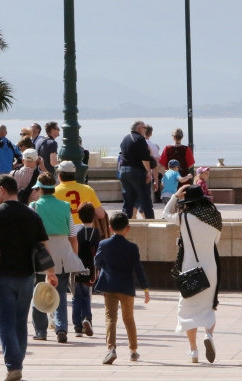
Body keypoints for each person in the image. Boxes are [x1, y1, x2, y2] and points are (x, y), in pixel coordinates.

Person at [0, 174, 56, 381]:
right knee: (20, 322)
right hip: (26, 275)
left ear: (3, 190)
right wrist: (50, 273)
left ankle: (13, 365)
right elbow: (44, 246)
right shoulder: (32, 215)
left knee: (5, 322)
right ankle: (18, 363)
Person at [162, 184, 222, 364]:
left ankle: (193, 350)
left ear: (188, 201)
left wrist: (175, 196)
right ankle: (209, 336)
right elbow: (215, 241)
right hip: (210, 268)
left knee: (188, 310)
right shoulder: (215, 217)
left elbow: (165, 214)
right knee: (208, 307)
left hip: (189, 268)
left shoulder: (184, 217)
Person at [29, 173, 86, 343]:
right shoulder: (64, 206)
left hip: (41, 253)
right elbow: (73, 236)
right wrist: (73, 257)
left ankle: (41, 331)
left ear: (39, 189)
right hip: (63, 253)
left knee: (38, 291)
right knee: (60, 292)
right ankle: (61, 328)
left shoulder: (34, 206)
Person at [95, 211, 150, 364]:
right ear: (128, 228)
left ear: (110, 227)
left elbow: (97, 262)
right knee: (128, 319)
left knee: (110, 317)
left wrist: (103, 267)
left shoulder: (104, 244)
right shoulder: (132, 247)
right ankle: (133, 351)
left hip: (109, 286)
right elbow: (138, 268)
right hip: (126, 287)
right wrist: (145, 289)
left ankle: (111, 348)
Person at [72, 202, 100, 339]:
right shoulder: (95, 233)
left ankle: (77, 326)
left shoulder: (77, 230)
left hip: (77, 268)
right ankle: (87, 318)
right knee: (86, 296)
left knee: (76, 297)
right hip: (90, 268)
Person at [119, 121, 156, 219]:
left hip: (124, 172)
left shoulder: (125, 139)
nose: (145, 130)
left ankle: (124, 225)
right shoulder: (140, 139)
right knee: (146, 201)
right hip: (137, 172)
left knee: (128, 202)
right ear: (139, 128)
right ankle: (151, 225)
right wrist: (148, 171)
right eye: (144, 128)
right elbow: (145, 159)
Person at [53, 160, 108, 225]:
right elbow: (101, 214)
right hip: (84, 231)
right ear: (74, 174)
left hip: (64, 230)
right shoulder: (87, 189)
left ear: (59, 175)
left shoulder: (54, 192)